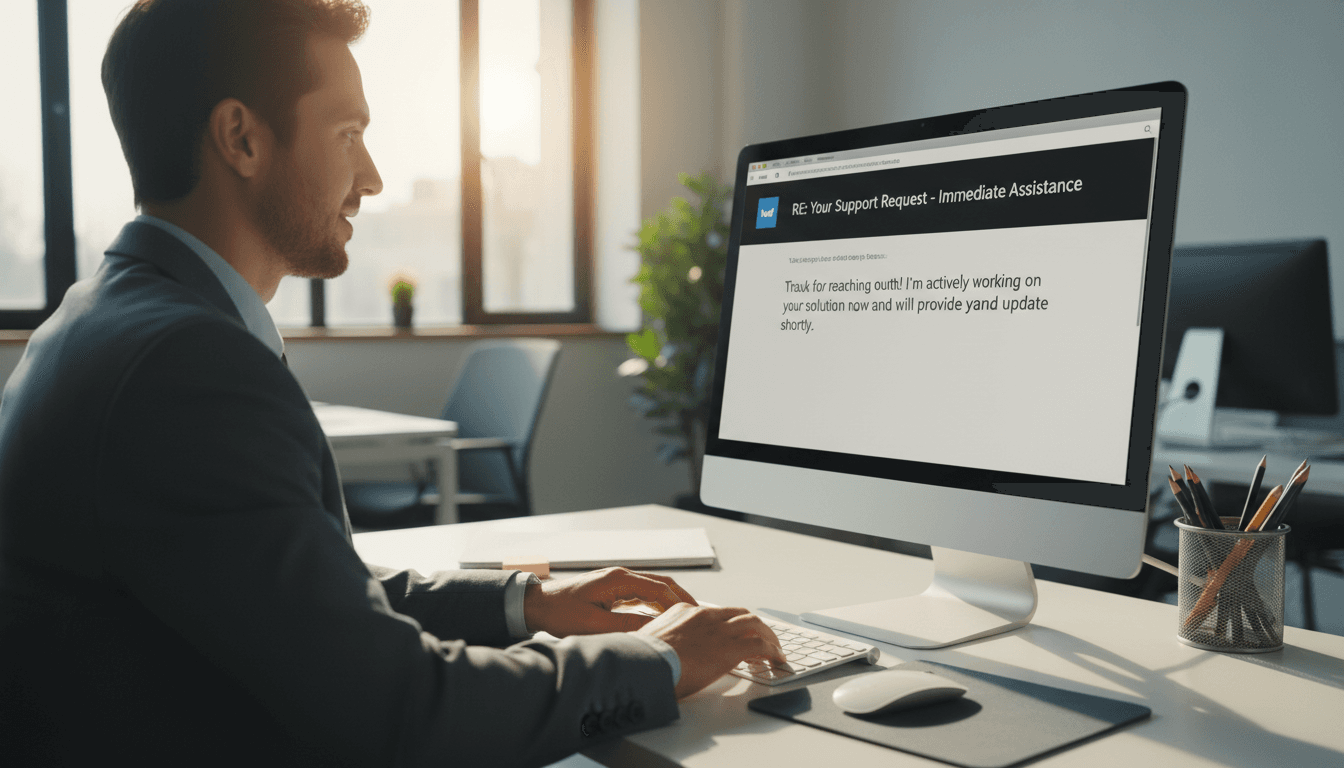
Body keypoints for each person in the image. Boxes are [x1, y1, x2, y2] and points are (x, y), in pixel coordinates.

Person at [0, 1, 785, 765]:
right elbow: (401, 710)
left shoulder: (98, 317)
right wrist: (658, 662)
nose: (370, 178)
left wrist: (526, 603)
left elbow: (302, 603)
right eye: (349, 135)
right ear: (241, 137)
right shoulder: (187, 366)